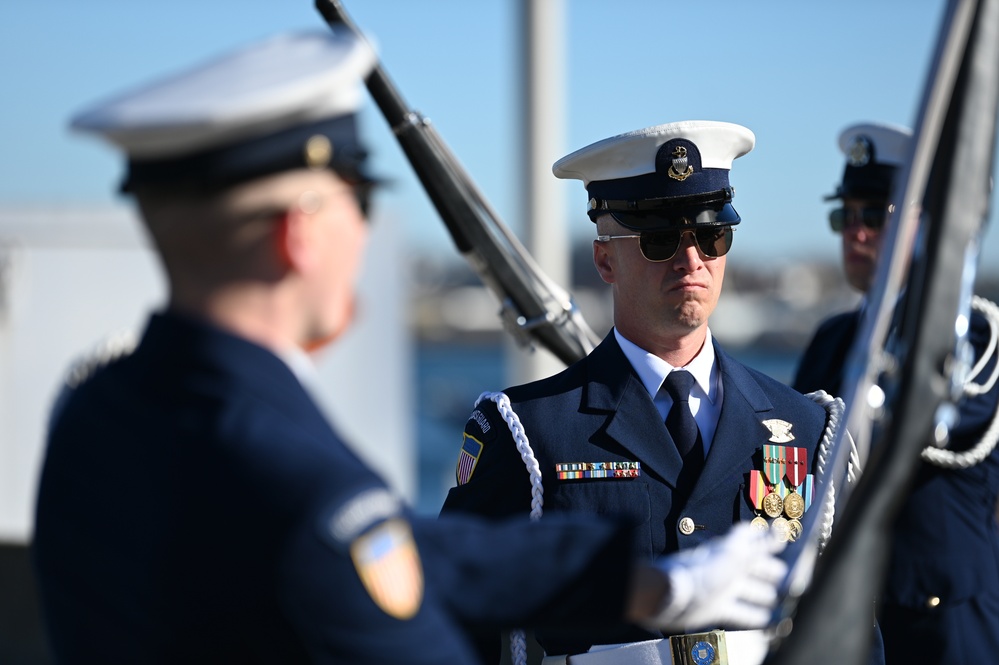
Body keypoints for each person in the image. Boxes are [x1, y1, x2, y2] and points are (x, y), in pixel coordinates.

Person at [30, 29, 791, 665]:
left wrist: (640, 585)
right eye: (359, 201)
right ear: (299, 233)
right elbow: (364, 556)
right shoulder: (307, 488)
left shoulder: (93, 414)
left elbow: (417, 550)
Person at [441, 121, 878, 665]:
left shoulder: (809, 428)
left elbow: (852, 634)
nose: (691, 259)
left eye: (712, 235)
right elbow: (453, 620)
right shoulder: (527, 432)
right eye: (659, 239)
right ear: (605, 260)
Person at [792, 122, 999, 665]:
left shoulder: (973, 336)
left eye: (875, 215)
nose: (855, 233)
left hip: (943, 627)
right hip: (852, 625)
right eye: (845, 215)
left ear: (927, 222)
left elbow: (920, 426)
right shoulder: (830, 341)